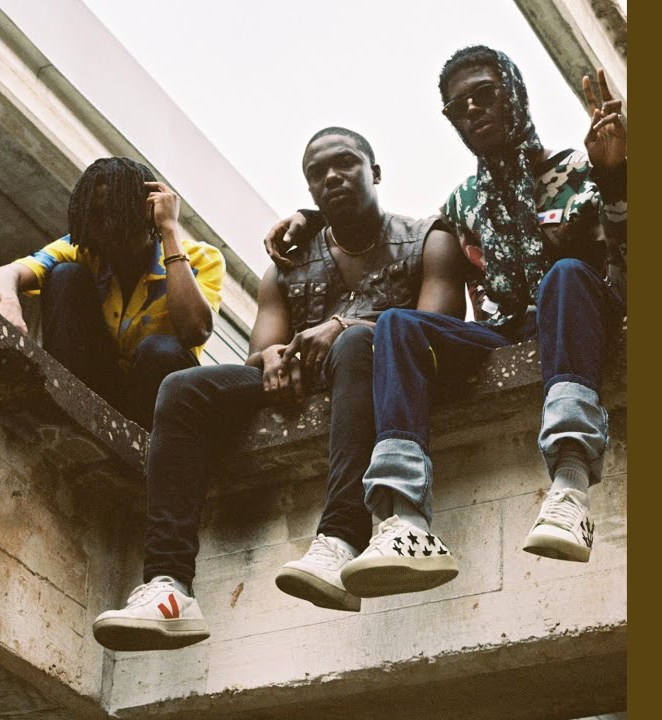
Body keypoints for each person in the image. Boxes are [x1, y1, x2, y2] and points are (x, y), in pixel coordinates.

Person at [91, 127, 468, 652]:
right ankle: (169, 586)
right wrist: (268, 358)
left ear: (375, 172)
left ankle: (340, 538)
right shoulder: (288, 263)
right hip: (302, 377)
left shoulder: (428, 238)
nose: (332, 176)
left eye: (345, 163)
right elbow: (261, 349)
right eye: (318, 172)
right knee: (182, 387)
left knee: (357, 345)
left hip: (369, 368)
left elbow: (437, 331)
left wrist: (346, 325)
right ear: (308, 189)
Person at [264, 46, 627, 588]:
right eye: (459, 106)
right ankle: (405, 520)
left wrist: (616, 175)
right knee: (397, 324)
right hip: (504, 333)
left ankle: (571, 486)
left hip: (585, 316)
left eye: (485, 94)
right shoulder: (463, 204)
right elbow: (378, 223)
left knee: (566, 273)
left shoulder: (582, 167)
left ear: (515, 94)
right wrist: (311, 216)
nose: (473, 109)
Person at [0, 157, 224, 429]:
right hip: (98, 386)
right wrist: (8, 302)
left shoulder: (201, 258)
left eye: (117, 212)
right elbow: (1, 275)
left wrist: (168, 230)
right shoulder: (86, 250)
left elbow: (195, 330)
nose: (106, 227)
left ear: (147, 210)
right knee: (65, 275)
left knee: (160, 350)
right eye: (96, 216)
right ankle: (64, 403)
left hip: (154, 405)